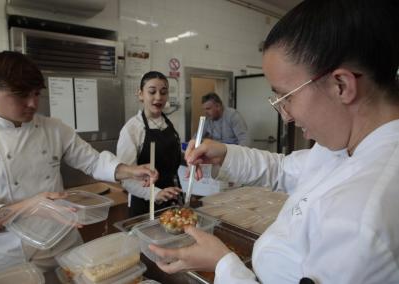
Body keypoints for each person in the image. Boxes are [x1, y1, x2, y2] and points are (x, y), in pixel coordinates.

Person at [149, 0, 399, 283]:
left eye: (286, 97)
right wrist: (224, 153)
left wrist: (222, 264)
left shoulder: (364, 218)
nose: (287, 116)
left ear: (340, 85)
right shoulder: (344, 148)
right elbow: (285, 168)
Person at [0, 51, 157, 273]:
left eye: (36, 94)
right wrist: (32, 206)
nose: (33, 104)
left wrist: (130, 171)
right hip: (12, 257)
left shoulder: (53, 128)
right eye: (21, 95)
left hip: (66, 247)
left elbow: (93, 162)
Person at [117, 71, 182, 217]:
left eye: (163, 92)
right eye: (152, 92)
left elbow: (169, 157)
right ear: (140, 94)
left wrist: (189, 160)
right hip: (145, 202)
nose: (158, 97)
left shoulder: (168, 123)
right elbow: (126, 178)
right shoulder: (132, 129)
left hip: (172, 197)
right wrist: (157, 193)